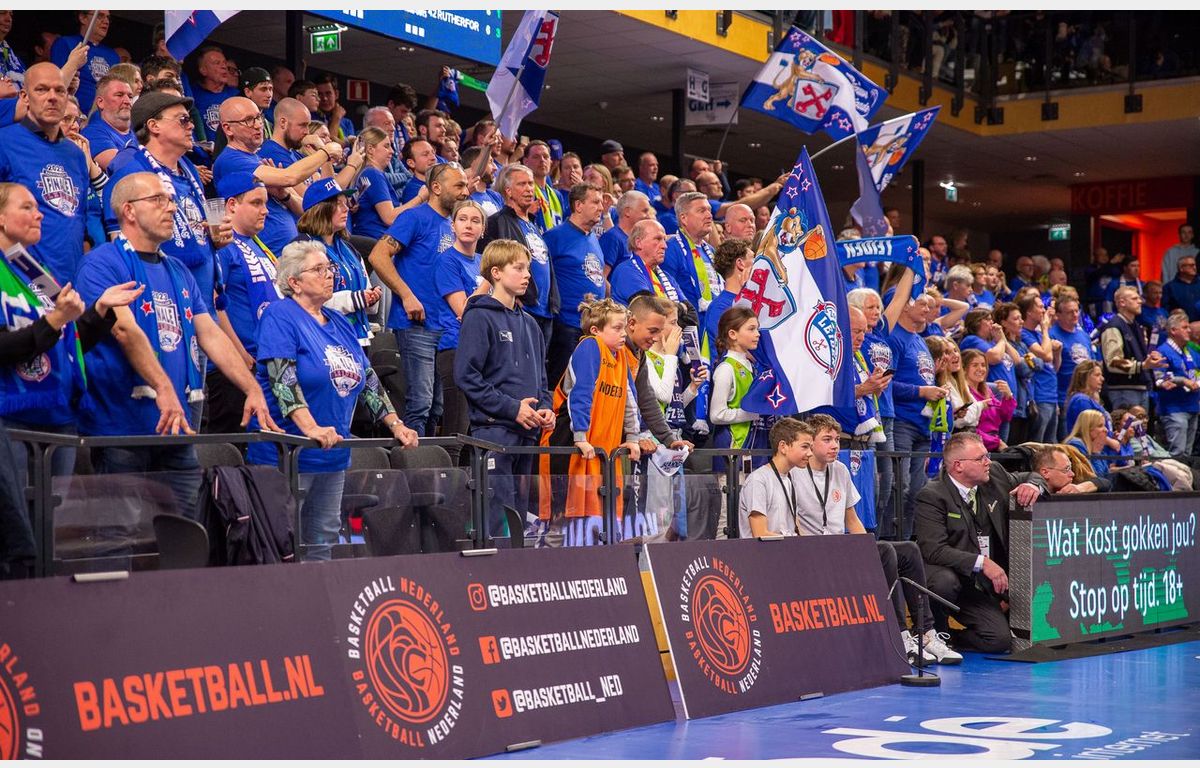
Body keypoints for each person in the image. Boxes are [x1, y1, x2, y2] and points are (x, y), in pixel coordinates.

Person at [74, 172, 277, 511]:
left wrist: (251, 387)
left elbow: (210, 332)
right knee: (123, 534)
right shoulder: (102, 263)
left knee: (185, 531)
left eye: (170, 200)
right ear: (129, 210)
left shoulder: (178, 270)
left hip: (177, 429)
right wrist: (163, 387)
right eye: (158, 200)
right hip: (122, 431)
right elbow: (124, 330)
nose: (171, 208)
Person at [245, 240, 416, 560]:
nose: (330, 275)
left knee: (322, 542)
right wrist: (311, 428)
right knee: (280, 546)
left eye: (330, 268)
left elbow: (367, 379)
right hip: (288, 457)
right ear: (294, 282)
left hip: (332, 457)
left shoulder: (339, 323)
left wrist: (396, 424)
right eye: (319, 269)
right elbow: (282, 380)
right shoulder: (280, 316)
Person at [0, 182, 142, 483]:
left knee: (54, 512)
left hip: (59, 416)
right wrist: (55, 320)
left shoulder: (31, 267)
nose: (39, 214)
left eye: (38, 207)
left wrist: (100, 310)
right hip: (12, 419)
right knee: (16, 512)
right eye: (27, 207)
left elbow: (67, 338)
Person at [798, 414, 961, 665]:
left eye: (837, 440)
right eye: (827, 440)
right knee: (885, 550)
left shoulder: (840, 470)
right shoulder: (797, 474)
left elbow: (852, 519)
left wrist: (865, 547)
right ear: (810, 442)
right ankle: (899, 635)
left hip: (841, 546)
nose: (834, 445)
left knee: (908, 549)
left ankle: (926, 633)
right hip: (815, 551)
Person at [455, 239, 553, 538]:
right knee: (495, 521)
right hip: (492, 433)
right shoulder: (478, 316)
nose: (527, 275)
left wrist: (545, 408)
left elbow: (542, 381)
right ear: (495, 273)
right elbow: (466, 375)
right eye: (518, 268)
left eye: (528, 269)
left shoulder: (531, 324)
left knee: (518, 519)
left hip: (527, 433)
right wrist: (512, 408)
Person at [914, 432, 1044, 653]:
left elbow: (1034, 476)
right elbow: (933, 550)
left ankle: (951, 637)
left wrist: (1033, 486)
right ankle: (934, 631)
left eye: (987, 456)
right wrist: (982, 562)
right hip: (951, 575)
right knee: (944, 582)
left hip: (983, 585)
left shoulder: (995, 475)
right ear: (958, 466)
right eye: (981, 458)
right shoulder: (932, 495)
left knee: (999, 641)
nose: (988, 462)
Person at [367, 162, 468, 436]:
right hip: (417, 325)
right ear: (436, 187)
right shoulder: (414, 217)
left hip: (446, 326)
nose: (465, 191)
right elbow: (378, 255)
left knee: (437, 407)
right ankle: (411, 459)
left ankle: (428, 459)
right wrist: (407, 295)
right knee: (420, 403)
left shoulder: (453, 225)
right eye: (459, 185)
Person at [540, 297, 643, 547]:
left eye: (624, 327)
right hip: (569, 442)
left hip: (601, 451)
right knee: (562, 518)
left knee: (597, 520)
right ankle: (546, 563)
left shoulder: (621, 357)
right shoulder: (589, 346)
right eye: (617, 328)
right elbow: (581, 394)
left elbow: (631, 401)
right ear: (596, 330)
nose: (624, 333)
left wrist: (632, 437)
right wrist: (581, 437)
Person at [0, 63, 95, 282]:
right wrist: (38, 282)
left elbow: (79, 221)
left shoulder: (76, 154)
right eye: (42, 89)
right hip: (21, 281)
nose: (52, 97)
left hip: (71, 282)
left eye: (60, 90)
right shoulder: (4, 143)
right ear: (24, 97)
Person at [212, 97, 342, 256]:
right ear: (228, 129)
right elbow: (290, 177)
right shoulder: (231, 160)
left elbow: (307, 208)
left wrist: (284, 195)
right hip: (266, 253)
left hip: (288, 252)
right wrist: (325, 152)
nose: (258, 125)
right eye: (248, 120)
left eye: (258, 117)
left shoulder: (259, 160)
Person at [206, 172, 281, 434]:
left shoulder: (258, 245)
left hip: (263, 364)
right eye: (256, 203)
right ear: (232, 205)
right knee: (233, 447)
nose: (265, 211)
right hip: (235, 369)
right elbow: (214, 303)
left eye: (266, 203)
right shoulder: (223, 246)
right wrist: (239, 354)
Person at [642, 300, 707, 538]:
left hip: (674, 442)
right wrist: (670, 356)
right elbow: (662, 395)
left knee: (674, 514)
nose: (678, 329)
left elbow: (673, 403)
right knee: (657, 512)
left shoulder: (672, 362)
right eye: (673, 323)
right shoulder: (649, 358)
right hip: (655, 443)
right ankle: (650, 557)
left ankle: (668, 555)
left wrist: (692, 388)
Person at [433, 200, 488, 464]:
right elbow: (464, 309)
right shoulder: (447, 261)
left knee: (476, 433)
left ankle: (471, 486)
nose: (468, 225)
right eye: (462, 219)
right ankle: (449, 483)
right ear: (453, 226)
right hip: (455, 347)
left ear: (483, 229)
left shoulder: (482, 261)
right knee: (457, 427)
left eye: (475, 220)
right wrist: (490, 280)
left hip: (483, 351)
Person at [295, 178, 380, 347]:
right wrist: (354, 299)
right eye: (338, 204)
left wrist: (371, 298)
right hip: (324, 340)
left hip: (358, 337)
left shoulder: (350, 249)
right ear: (320, 209)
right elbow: (306, 300)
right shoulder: (302, 247)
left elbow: (368, 304)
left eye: (345, 203)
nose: (346, 208)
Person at [480, 163, 556, 351]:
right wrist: (509, 296)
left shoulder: (533, 224)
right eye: (522, 184)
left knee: (539, 366)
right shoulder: (496, 222)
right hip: (521, 309)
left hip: (545, 312)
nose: (529, 189)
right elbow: (485, 265)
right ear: (508, 191)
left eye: (531, 183)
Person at [543, 183, 608, 389]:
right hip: (567, 325)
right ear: (578, 205)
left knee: (585, 387)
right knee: (560, 386)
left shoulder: (593, 238)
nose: (601, 207)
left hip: (592, 328)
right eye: (595, 202)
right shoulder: (555, 237)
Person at [710, 306, 766, 473]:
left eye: (757, 329)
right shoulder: (726, 369)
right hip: (734, 448)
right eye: (751, 329)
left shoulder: (751, 366)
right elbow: (716, 415)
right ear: (733, 334)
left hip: (754, 447)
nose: (758, 334)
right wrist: (756, 413)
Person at [662, 191, 723, 333]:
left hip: (714, 327)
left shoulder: (710, 250)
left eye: (709, 210)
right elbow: (667, 293)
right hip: (690, 329)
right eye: (702, 211)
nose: (709, 215)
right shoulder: (671, 249)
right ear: (684, 218)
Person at [1098, 285, 1166, 411]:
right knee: (1129, 423)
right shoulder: (1113, 327)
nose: (1140, 301)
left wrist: (1150, 359)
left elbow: (1139, 358)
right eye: (1135, 299)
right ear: (1122, 302)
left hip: (1141, 387)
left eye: (1139, 298)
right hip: (1123, 390)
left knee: (1142, 424)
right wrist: (1142, 365)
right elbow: (1112, 362)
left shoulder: (1137, 326)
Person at [351, 126, 418, 239]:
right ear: (370, 149)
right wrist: (420, 198)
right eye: (386, 146)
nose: (392, 151)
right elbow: (390, 218)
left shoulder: (366, 173)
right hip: (375, 240)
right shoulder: (373, 174)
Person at [50, 11, 118, 113]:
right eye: (100, 16)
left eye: (108, 17)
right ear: (83, 18)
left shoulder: (113, 55)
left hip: (104, 115)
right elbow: (56, 82)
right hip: (74, 113)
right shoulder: (66, 43)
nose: (106, 21)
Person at [1154, 312, 1200, 455]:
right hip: (1174, 409)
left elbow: (1197, 373)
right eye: (1185, 327)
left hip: (1192, 406)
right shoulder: (1162, 351)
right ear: (1173, 330)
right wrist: (1183, 381)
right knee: (1178, 452)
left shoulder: (1191, 352)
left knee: (1187, 453)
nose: (1189, 330)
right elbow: (1159, 377)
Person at [1018, 295, 1062, 444]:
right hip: (1039, 396)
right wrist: (1045, 329)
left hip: (1052, 396)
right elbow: (1046, 355)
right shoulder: (1024, 334)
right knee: (1038, 445)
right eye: (1040, 307)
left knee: (1051, 444)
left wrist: (1058, 352)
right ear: (1029, 312)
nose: (1044, 310)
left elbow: (1054, 367)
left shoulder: (1039, 335)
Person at [609, 218, 681, 307]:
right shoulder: (626, 271)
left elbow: (690, 311)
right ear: (638, 243)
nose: (665, 246)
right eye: (658, 239)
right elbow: (650, 308)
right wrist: (680, 308)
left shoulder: (667, 276)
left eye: (664, 240)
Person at [706, 238, 754, 361]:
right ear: (740, 264)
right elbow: (733, 349)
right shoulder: (720, 308)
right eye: (753, 259)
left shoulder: (752, 300)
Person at [962, 349, 1015, 449]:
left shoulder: (987, 391)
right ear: (964, 369)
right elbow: (967, 429)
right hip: (975, 445)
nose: (980, 369)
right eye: (975, 365)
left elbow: (1005, 416)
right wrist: (997, 443)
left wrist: (1008, 397)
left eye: (983, 365)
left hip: (993, 442)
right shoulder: (963, 392)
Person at [82, 74, 135, 172]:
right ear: (100, 102)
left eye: (130, 96)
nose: (127, 101)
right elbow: (122, 167)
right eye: (119, 95)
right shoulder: (92, 133)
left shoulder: (141, 132)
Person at [599, 190, 652, 274]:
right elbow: (601, 277)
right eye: (644, 211)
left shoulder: (639, 239)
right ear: (627, 212)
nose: (649, 216)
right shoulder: (612, 238)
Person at [1065, 409, 1122, 479]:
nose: (1106, 430)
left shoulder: (1094, 442)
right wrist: (1096, 451)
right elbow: (1096, 477)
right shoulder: (1076, 445)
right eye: (1100, 426)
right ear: (1087, 427)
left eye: (1104, 425)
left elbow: (1106, 473)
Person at [1030, 445, 1110, 494]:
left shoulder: (1074, 488)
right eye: (1066, 469)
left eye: (1070, 469)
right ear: (1045, 472)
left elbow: (1105, 483)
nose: (1072, 474)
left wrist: (1081, 488)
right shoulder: (1029, 494)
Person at [1163, 255, 1200, 322]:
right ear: (1181, 268)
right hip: (1180, 324)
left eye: (1195, 265)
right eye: (1191, 265)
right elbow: (1165, 309)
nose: (1194, 268)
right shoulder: (1169, 287)